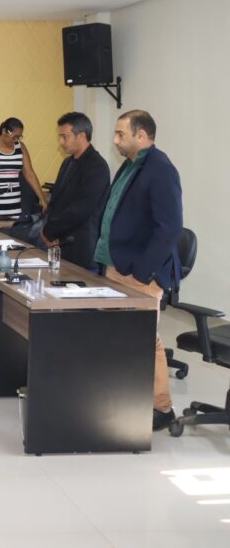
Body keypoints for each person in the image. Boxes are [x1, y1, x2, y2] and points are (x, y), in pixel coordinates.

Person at [93, 110, 182, 432]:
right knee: (119, 337)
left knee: (144, 339)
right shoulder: (130, 165)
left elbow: (170, 227)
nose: (115, 140)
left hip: (137, 271)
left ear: (141, 135)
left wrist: (143, 272)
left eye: (121, 134)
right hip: (116, 265)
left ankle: (162, 408)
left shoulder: (160, 169)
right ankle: (125, 398)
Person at [39, 112, 110, 270]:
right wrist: (49, 229)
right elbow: (57, 200)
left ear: (81, 136)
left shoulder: (97, 166)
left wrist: (51, 231)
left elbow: (82, 209)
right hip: (60, 243)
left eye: (65, 137)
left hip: (83, 246)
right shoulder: (67, 163)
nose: (61, 142)